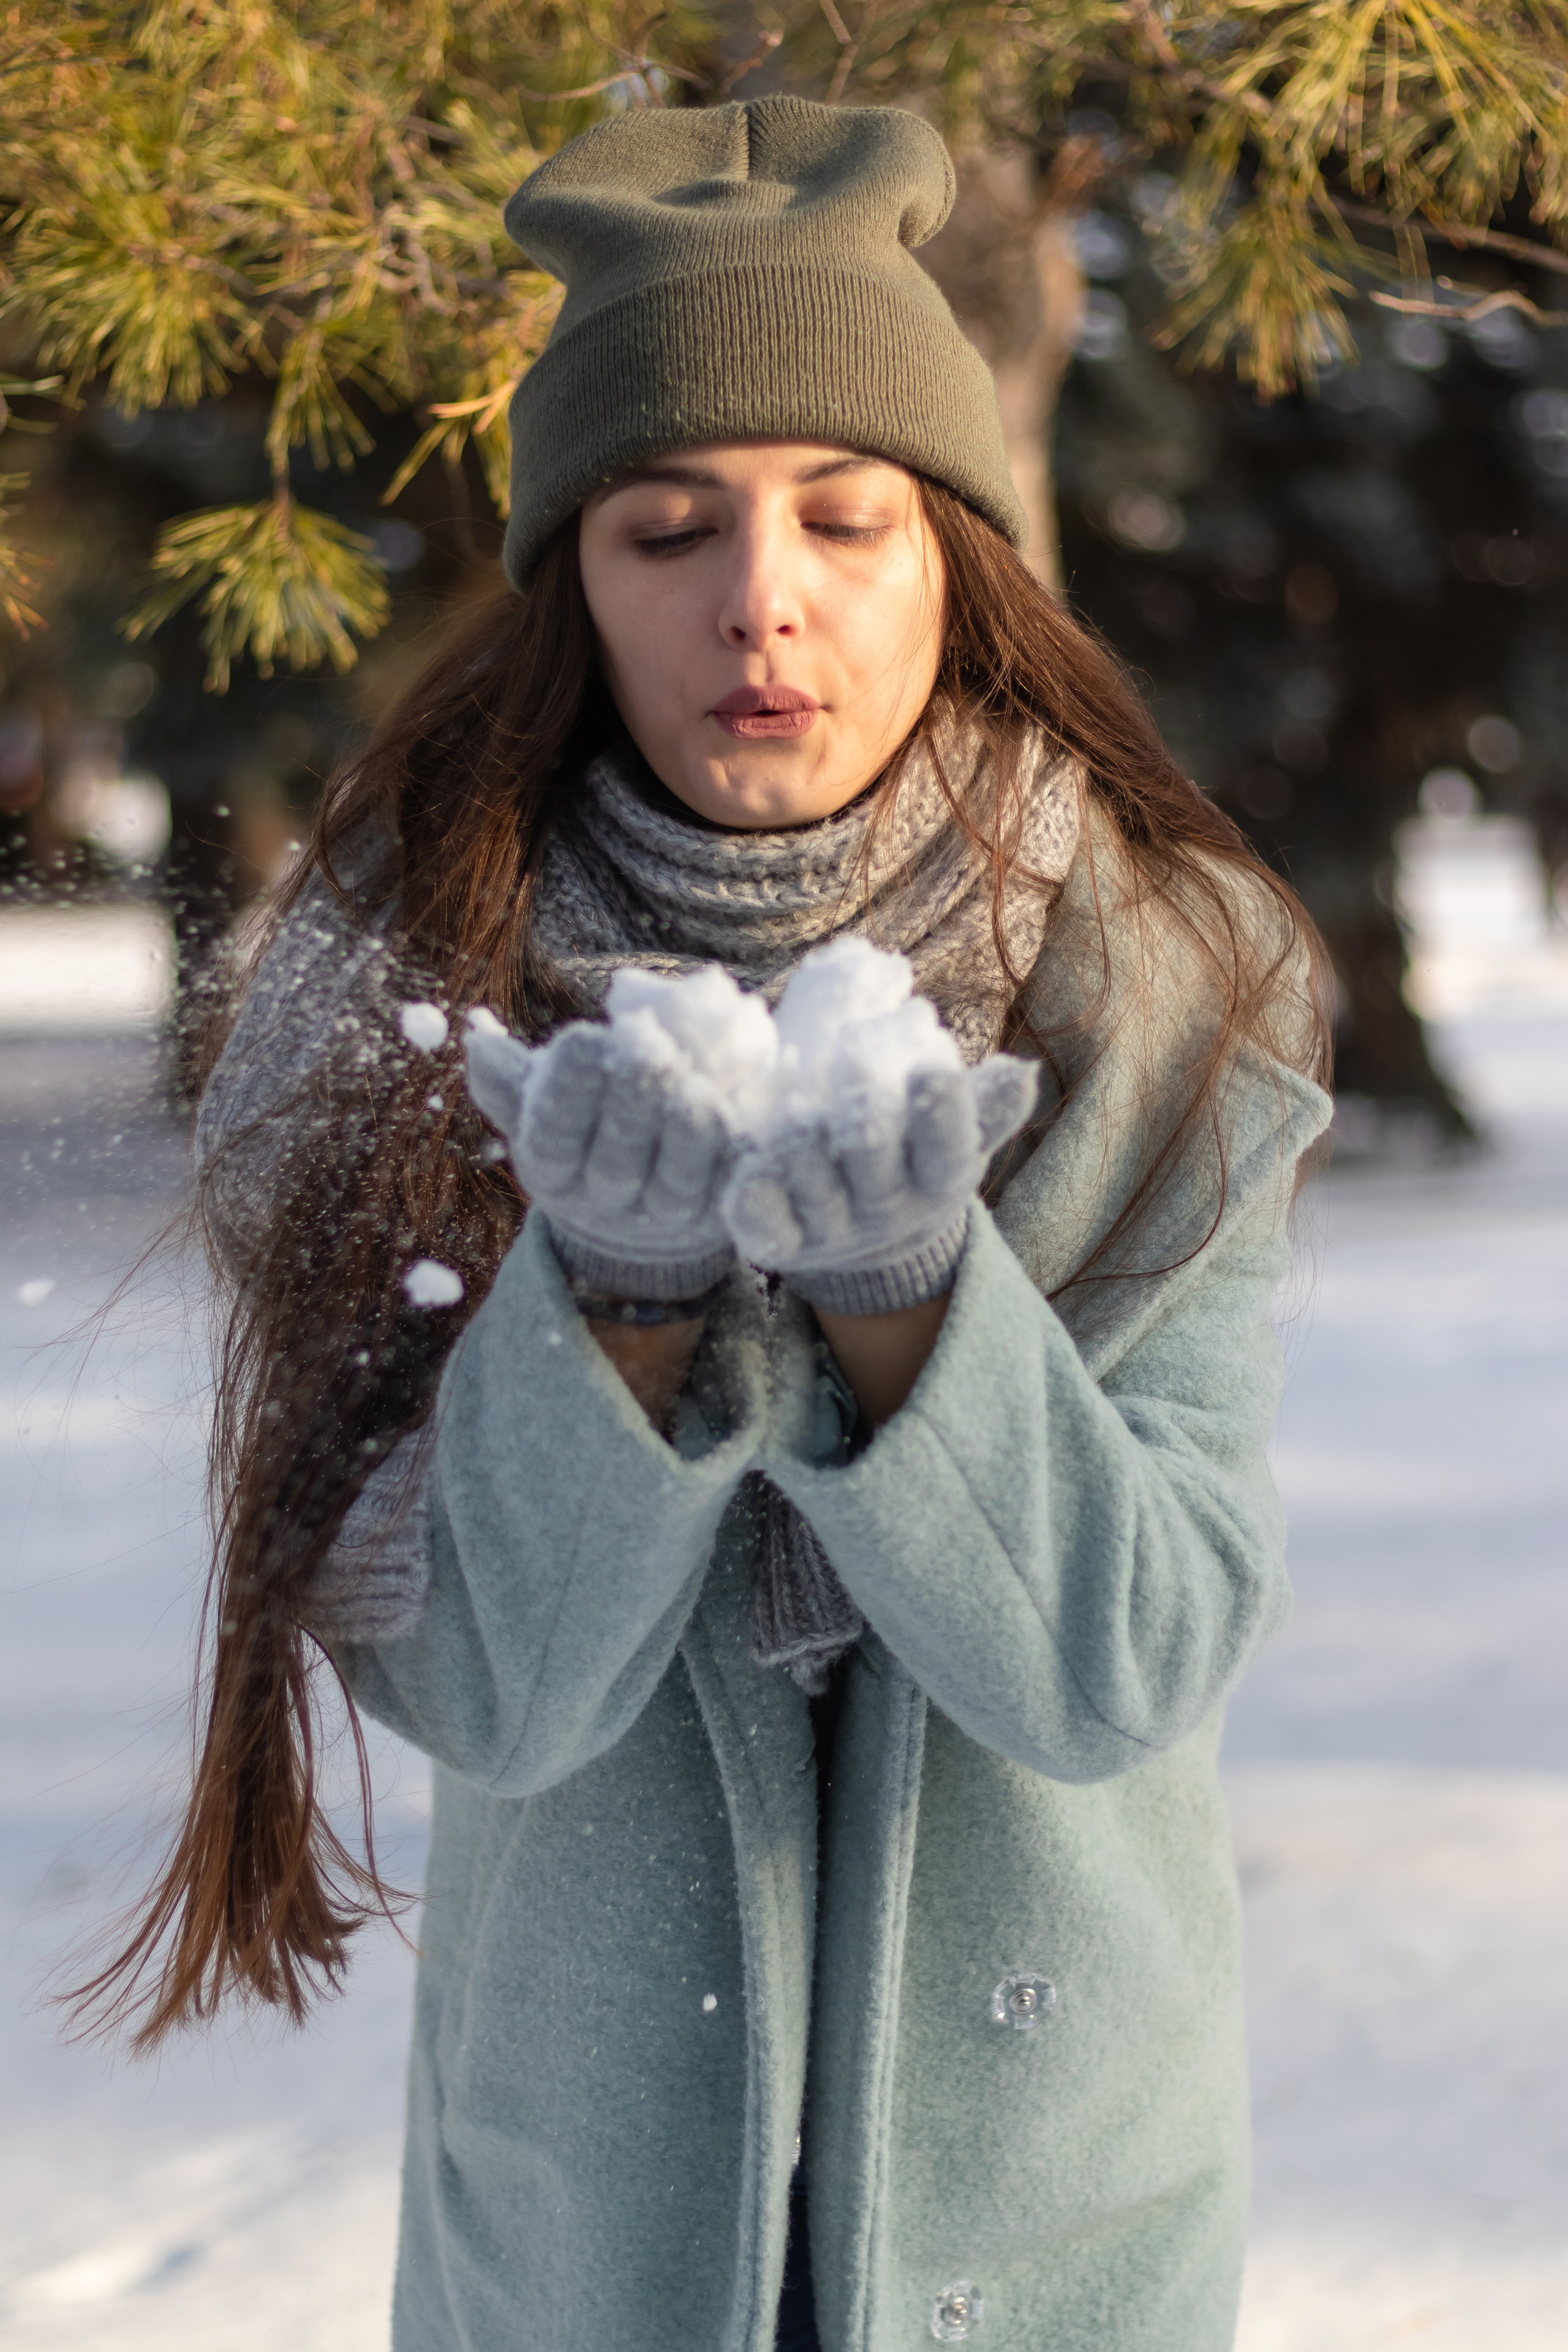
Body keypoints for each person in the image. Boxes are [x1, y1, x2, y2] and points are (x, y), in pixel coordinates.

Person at [84, 98, 1332, 2352]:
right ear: (572, 576)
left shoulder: (1168, 991)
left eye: (847, 516)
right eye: (668, 526)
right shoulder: (408, 995)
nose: (762, 595)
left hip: (1057, 2225)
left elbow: (1122, 1670)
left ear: (956, 558)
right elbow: (485, 1689)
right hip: (588, 2234)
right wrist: (621, 1304)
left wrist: (909, 1295)